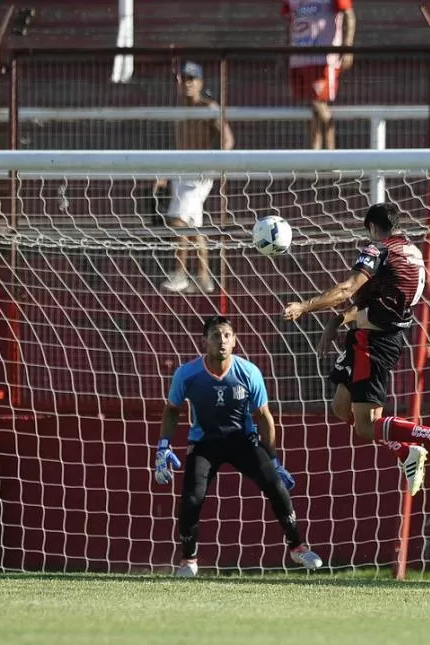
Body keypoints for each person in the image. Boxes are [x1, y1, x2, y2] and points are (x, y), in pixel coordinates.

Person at [282, 203, 430, 497]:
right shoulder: (413, 253)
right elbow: (379, 301)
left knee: (366, 427)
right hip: (366, 337)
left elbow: (346, 290)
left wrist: (304, 306)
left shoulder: (378, 250)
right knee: (342, 407)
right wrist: (339, 319)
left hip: (374, 343)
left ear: (370, 227)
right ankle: (406, 453)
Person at [154, 315, 323, 576]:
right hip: (204, 443)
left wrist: (274, 460)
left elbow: (264, 416)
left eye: (226, 335)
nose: (221, 341)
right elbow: (172, 410)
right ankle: (188, 561)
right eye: (215, 335)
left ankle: (297, 547)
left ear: (234, 341)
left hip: (242, 441)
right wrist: (163, 447)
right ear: (204, 341)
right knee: (191, 498)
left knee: (275, 485)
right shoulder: (187, 374)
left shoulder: (249, 372)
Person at [157, 61, 234, 294]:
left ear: (200, 82)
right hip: (181, 171)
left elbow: (228, 139)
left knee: (179, 221)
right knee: (192, 226)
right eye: (185, 78)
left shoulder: (208, 107)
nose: (188, 83)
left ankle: (180, 274)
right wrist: (165, 173)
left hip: (199, 172)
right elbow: (180, 145)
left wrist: (217, 163)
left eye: (193, 78)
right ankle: (203, 277)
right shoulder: (179, 109)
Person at [283, 0, 355, 150]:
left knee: (319, 104)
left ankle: (330, 158)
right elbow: (290, 23)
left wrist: (347, 48)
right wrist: (286, 51)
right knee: (312, 109)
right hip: (298, 57)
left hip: (322, 59)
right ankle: (314, 158)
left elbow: (349, 15)